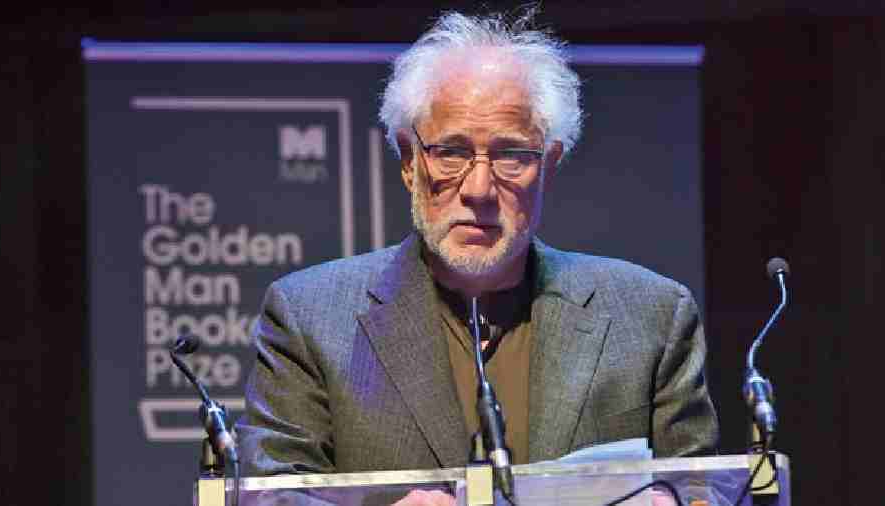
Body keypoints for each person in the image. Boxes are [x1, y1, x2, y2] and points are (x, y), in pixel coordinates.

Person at [236, 9, 718, 484]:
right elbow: (271, 493)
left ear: (548, 166)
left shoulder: (651, 317)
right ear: (409, 161)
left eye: (511, 155)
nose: (480, 189)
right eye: (451, 151)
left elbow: (706, 492)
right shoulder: (310, 318)